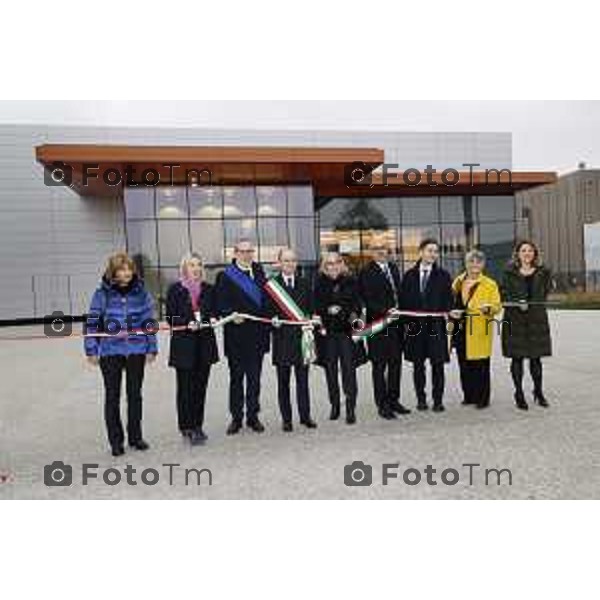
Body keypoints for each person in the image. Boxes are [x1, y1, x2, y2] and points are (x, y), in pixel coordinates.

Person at [84, 252, 158, 456]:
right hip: (110, 351)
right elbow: (92, 322)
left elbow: (149, 321)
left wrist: (151, 347)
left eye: (128, 269)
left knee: (135, 395)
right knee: (112, 396)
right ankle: (116, 441)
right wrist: (91, 349)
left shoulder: (141, 293)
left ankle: (136, 437)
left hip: (136, 350)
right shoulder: (102, 294)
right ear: (113, 272)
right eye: (121, 270)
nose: (126, 273)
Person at [215, 238, 270, 435]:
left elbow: (267, 301)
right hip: (236, 335)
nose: (247, 255)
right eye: (243, 251)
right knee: (236, 378)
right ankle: (236, 417)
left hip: (257, 335)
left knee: (255, 379)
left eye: (250, 251)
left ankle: (253, 416)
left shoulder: (260, 272)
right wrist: (230, 314)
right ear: (235, 253)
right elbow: (220, 302)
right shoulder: (225, 276)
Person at [165, 253, 219, 445]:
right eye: (191, 265)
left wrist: (212, 318)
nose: (196, 269)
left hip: (205, 345)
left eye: (198, 265)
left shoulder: (209, 289)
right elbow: (170, 318)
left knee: (200, 388)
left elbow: (215, 311)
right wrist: (187, 323)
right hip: (184, 347)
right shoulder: (175, 290)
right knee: (185, 388)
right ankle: (186, 426)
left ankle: (197, 426)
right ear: (184, 268)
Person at [266, 248, 317, 432]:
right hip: (282, 341)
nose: (290, 264)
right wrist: (273, 320)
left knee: (303, 381)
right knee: (283, 382)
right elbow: (267, 312)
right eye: (286, 260)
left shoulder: (304, 283)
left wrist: (312, 318)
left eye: (293, 260)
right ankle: (286, 419)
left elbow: (311, 308)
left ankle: (305, 416)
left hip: (302, 340)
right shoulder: (272, 286)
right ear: (279, 263)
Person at [399, 239, 453, 412]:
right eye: (430, 250)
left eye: (436, 251)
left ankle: (438, 401)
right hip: (415, 328)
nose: (433, 254)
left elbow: (448, 301)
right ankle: (421, 399)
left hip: (436, 327)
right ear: (421, 252)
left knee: (437, 365)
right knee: (418, 365)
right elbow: (403, 303)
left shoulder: (443, 276)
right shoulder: (409, 276)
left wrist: (449, 312)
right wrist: (406, 326)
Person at [358, 243, 411, 419]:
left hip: (396, 325)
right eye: (378, 250)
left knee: (396, 364)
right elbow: (365, 298)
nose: (382, 252)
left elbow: (400, 294)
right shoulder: (366, 272)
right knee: (379, 366)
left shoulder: (394, 269)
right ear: (372, 253)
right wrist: (385, 311)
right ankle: (382, 405)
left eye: (385, 250)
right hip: (378, 325)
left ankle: (394, 400)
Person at [314, 252, 365, 424]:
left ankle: (351, 408)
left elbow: (357, 307)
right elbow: (316, 307)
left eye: (336, 262)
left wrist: (341, 310)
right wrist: (327, 311)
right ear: (324, 266)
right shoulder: (319, 283)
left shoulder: (351, 282)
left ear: (341, 264)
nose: (333, 266)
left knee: (348, 371)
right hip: (327, 335)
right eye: (329, 263)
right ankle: (335, 405)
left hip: (346, 334)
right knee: (330, 372)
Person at [501, 240, 553, 410]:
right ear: (517, 254)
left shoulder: (543, 272)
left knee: (536, 359)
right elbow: (503, 293)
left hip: (536, 320)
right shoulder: (509, 273)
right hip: (515, 320)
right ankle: (519, 393)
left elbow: (545, 292)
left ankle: (538, 391)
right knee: (517, 358)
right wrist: (517, 302)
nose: (527, 253)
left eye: (530, 250)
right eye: (523, 250)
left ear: (535, 254)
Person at [450, 250, 502, 409]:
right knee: (463, 363)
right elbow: (450, 301)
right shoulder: (458, 281)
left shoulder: (490, 284)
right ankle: (469, 395)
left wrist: (489, 309)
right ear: (466, 264)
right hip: (460, 328)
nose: (474, 265)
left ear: (483, 265)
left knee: (480, 365)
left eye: (478, 262)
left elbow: (497, 306)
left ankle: (482, 398)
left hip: (479, 329)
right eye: (471, 262)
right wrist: (452, 312)